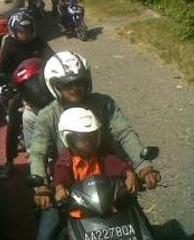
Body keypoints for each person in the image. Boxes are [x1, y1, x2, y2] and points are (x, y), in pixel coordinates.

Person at [30, 51, 161, 240]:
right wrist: (42, 187)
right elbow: (38, 153)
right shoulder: (46, 116)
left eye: (79, 81)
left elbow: (124, 133)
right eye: (66, 84)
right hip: (68, 188)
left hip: (111, 181)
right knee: (45, 235)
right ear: (54, 86)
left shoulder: (104, 104)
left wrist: (143, 168)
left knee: (144, 229)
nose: (74, 88)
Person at [0, 9, 53, 179]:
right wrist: (6, 84)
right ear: (14, 31)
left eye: (28, 30)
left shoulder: (39, 42)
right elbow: (2, 70)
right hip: (20, 88)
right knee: (14, 116)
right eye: (22, 31)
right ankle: (9, 161)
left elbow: (52, 58)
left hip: (42, 84)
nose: (26, 34)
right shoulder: (10, 46)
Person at [53, 107, 138, 215]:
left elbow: (115, 164)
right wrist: (60, 188)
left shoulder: (102, 154)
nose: (89, 142)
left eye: (92, 137)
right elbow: (61, 174)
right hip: (79, 211)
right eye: (82, 138)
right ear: (68, 138)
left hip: (107, 205)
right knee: (49, 226)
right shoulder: (66, 159)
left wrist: (129, 174)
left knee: (134, 212)